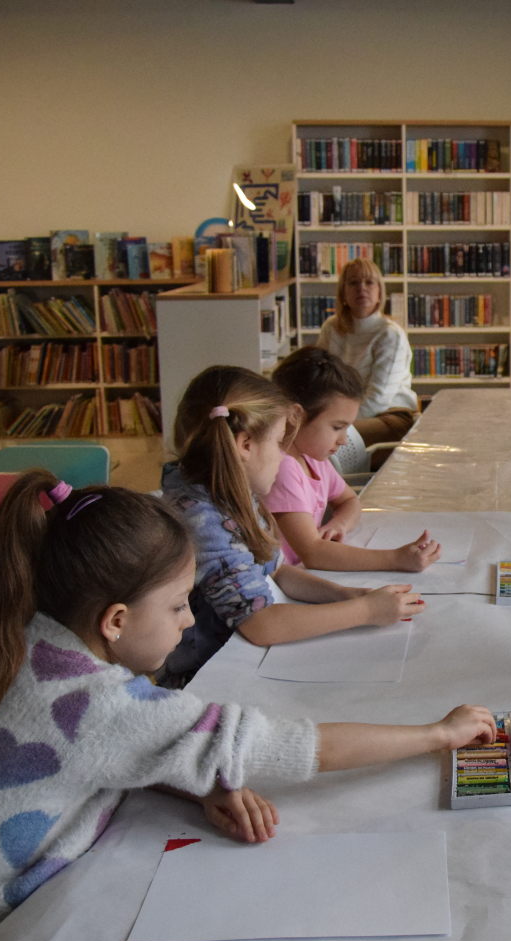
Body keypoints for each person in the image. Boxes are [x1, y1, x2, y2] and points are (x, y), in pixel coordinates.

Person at [0, 472, 496, 941]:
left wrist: (191, 777)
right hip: (3, 939)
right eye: (180, 605)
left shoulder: (28, 637)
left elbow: (92, 752)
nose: (188, 622)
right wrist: (437, 735)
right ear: (115, 621)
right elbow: (296, 746)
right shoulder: (96, 703)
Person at [160, 366, 422, 681]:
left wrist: (350, 596)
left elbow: (279, 571)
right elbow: (260, 624)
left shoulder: (233, 492)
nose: (283, 456)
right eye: (279, 443)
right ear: (245, 444)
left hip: (238, 657)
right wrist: (366, 611)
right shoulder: (203, 520)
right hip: (205, 677)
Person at [267, 346, 439, 572]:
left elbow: (349, 500)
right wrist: (396, 559)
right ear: (295, 415)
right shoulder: (282, 468)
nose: (343, 440)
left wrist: (340, 524)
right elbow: (313, 554)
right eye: (337, 427)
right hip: (285, 581)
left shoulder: (313, 459)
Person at [315, 257, 419, 458]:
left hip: (390, 416)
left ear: (380, 292)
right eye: (353, 283)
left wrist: (337, 423)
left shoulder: (389, 334)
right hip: (339, 415)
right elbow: (320, 380)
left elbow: (378, 399)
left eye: (369, 282)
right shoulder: (332, 327)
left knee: (323, 439)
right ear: (343, 292)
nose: (361, 288)